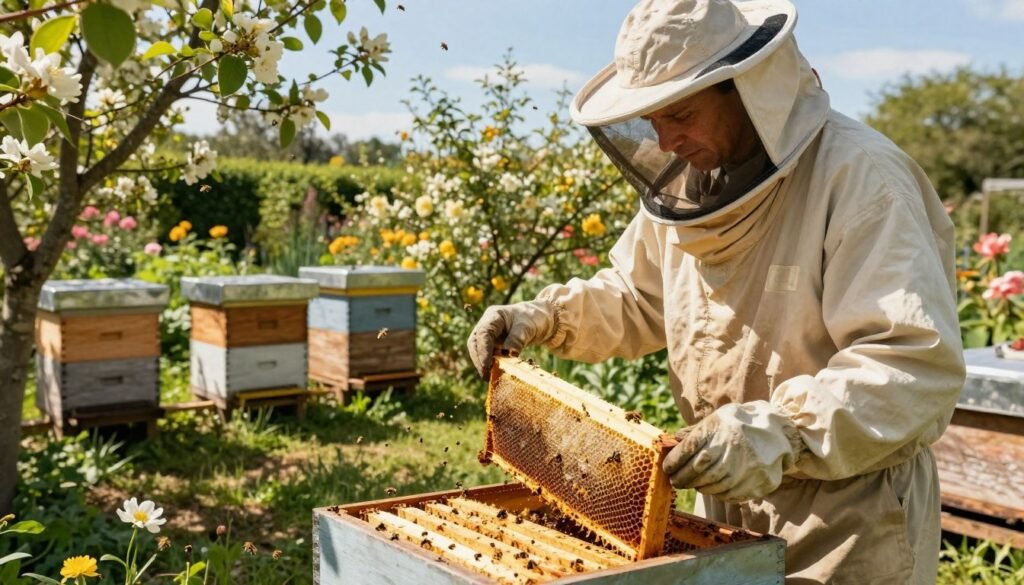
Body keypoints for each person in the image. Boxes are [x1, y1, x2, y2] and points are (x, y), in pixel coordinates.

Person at [467, 0, 966, 582]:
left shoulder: (862, 180)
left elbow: (910, 365)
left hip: (847, 514)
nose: (667, 140)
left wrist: (778, 432)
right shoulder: (694, 185)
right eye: (652, 120)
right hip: (726, 499)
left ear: (749, 90)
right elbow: (636, 296)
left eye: (680, 113)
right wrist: (545, 317)